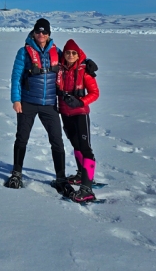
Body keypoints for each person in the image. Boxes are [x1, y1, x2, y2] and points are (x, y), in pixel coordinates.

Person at [5, 18, 68, 192]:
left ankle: (61, 177)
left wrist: (86, 64)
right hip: (27, 103)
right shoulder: (24, 52)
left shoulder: (57, 52)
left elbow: (72, 62)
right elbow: (16, 77)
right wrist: (16, 100)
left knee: (57, 141)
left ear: (49, 34)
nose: (41, 35)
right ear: (33, 32)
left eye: (45, 32)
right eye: (38, 31)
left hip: (49, 104)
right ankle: (16, 173)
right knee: (22, 138)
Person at [57, 38, 100, 203]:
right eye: (68, 52)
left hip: (80, 113)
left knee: (85, 148)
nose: (70, 55)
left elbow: (95, 93)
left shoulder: (84, 71)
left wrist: (81, 101)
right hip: (65, 113)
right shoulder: (60, 69)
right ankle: (82, 174)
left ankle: (87, 189)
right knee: (75, 144)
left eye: (74, 53)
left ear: (78, 54)